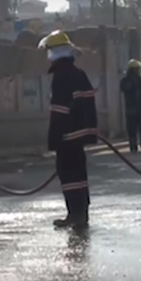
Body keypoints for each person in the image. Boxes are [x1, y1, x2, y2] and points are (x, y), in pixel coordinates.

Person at [38, 30, 98, 228]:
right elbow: (89, 105)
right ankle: (82, 214)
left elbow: (59, 110)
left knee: (68, 174)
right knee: (79, 175)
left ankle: (74, 214)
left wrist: (54, 138)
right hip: (80, 135)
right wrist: (91, 131)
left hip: (67, 135)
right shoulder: (79, 74)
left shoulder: (61, 76)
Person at [120, 59, 141, 153]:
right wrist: (133, 86)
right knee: (132, 129)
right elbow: (124, 88)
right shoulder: (125, 81)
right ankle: (133, 146)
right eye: (136, 69)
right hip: (131, 109)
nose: (138, 71)